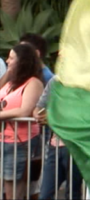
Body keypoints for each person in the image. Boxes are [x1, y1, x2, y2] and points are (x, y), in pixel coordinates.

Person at [0, 43, 44, 199]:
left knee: (16, 187)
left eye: (12, 58)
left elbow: (25, 110)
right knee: (7, 183)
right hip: (6, 140)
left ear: (22, 61)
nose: (7, 61)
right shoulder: (11, 82)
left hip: (22, 141)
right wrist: (9, 73)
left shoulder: (33, 83)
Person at [35, 75, 84, 200]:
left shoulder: (87, 81)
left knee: (73, 194)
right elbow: (38, 108)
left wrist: (53, 117)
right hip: (54, 146)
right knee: (44, 195)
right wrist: (39, 116)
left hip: (76, 147)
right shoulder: (55, 80)